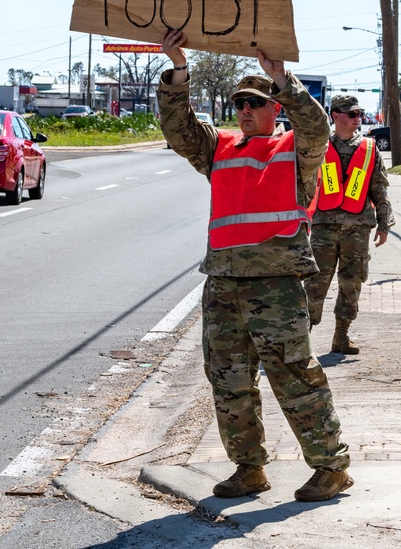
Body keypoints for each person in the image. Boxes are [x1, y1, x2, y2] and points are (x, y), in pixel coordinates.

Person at [157, 29, 352, 502]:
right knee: (228, 379)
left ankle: (331, 466)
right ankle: (249, 468)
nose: (245, 110)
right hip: (223, 283)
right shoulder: (219, 148)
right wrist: (178, 69)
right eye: (239, 103)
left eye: (255, 102)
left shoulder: (295, 150)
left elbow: (317, 128)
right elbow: (178, 128)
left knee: (294, 376)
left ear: (274, 108)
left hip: (276, 285)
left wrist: (281, 77)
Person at [304, 94, 395, 355]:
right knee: (315, 283)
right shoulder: (319, 146)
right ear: (335, 116)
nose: (358, 119)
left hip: (357, 228)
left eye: (359, 114)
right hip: (323, 226)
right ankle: (303, 339)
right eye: (352, 114)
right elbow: (304, 184)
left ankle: (341, 336)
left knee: (351, 282)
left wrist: (384, 224)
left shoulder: (369, 148)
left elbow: (379, 188)